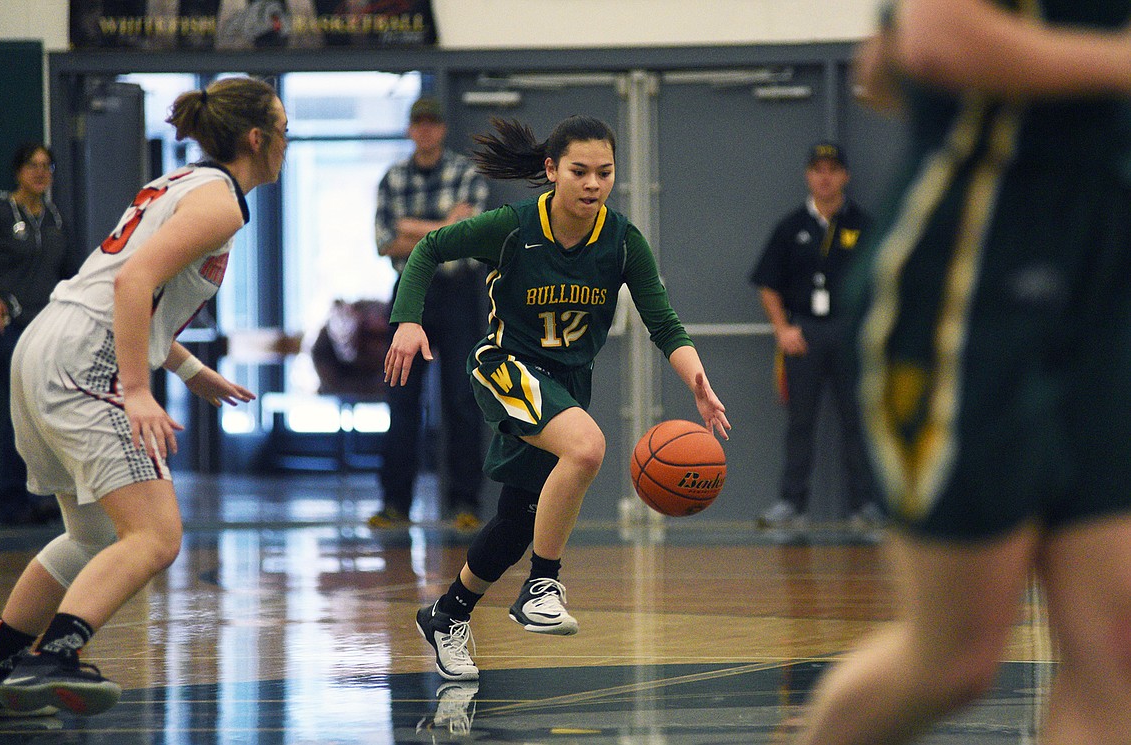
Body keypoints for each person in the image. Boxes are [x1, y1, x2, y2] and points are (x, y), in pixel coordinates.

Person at [793, 1, 1131, 743]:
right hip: (966, 295)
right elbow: (936, 40)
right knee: (955, 658)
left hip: (1099, 286)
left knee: (1114, 649)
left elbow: (883, 65)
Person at [0, 76, 286, 719]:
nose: (287, 141)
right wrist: (136, 388)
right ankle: (52, 655)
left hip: (46, 347)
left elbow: (128, 288)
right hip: (86, 365)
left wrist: (189, 369)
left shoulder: (180, 185)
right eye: (283, 128)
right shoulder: (220, 202)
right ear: (257, 137)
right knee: (158, 536)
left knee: (91, 536)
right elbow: (134, 281)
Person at [385, 115, 731, 680]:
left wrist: (698, 382)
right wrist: (407, 320)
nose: (593, 184)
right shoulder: (512, 227)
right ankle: (542, 585)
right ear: (551, 171)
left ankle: (448, 615)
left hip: (566, 385)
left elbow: (664, 324)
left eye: (605, 172)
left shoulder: (621, 241)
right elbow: (428, 248)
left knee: (518, 520)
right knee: (588, 448)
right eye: (580, 172)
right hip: (505, 368)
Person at [369, 97, 490, 532]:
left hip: (459, 291)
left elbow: (469, 235)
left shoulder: (465, 172)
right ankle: (395, 503)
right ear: (410, 130)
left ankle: (465, 503)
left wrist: (412, 228)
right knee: (401, 398)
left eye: (432, 124)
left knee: (462, 398)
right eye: (418, 124)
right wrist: (443, 227)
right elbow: (385, 243)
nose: (426, 131)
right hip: (410, 293)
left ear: (441, 129)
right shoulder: (393, 177)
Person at [750, 142, 878, 532]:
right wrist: (783, 329)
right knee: (800, 421)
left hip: (848, 332)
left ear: (845, 176)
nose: (825, 177)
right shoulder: (791, 227)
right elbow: (767, 284)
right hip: (804, 332)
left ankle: (866, 505)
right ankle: (792, 503)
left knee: (857, 420)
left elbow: (881, 280)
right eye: (818, 170)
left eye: (833, 170)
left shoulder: (863, 224)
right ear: (809, 175)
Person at [0, 143, 83, 525]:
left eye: (48, 166)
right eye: (33, 165)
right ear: (18, 171)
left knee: (44, 409)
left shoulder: (56, 219)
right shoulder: (0, 215)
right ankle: (15, 502)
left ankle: (40, 497)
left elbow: (73, 273)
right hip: (9, 328)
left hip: (48, 330)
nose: (41, 172)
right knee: (25, 405)